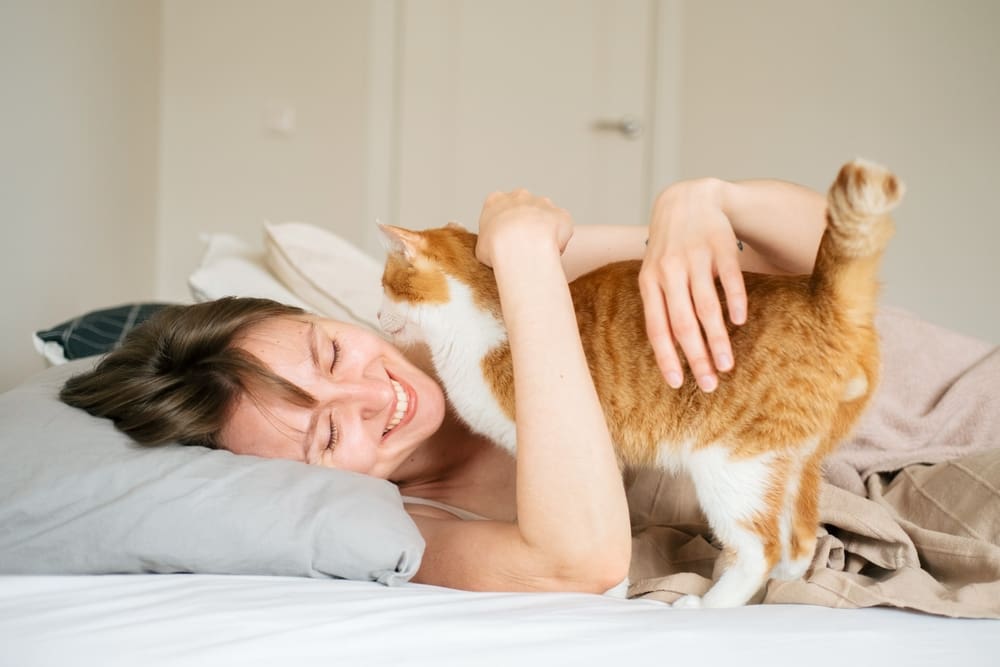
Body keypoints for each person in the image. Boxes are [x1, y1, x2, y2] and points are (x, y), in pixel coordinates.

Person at [60, 177, 827, 594]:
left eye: (330, 352)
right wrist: (527, 263)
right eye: (328, 433)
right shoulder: (416, 529)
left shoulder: (464, 298)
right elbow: (587, 562)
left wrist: (702, 201)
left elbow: (823, 259)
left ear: (322, 313)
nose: (370, 397)